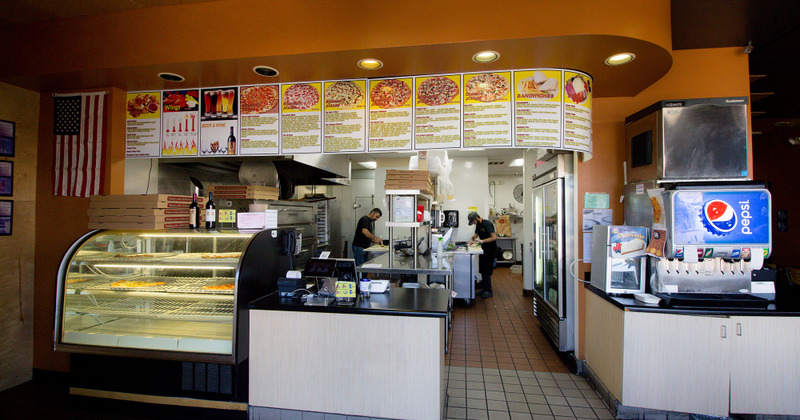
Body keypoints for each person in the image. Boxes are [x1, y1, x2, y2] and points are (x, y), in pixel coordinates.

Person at [468, 211, 497, 298]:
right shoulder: (478, 225)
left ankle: (488, 290)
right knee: (482, 269)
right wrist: (471, 239)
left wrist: (482, 241)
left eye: (474, 221)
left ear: (477, 217)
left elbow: (494, 237)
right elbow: (476, 234)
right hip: (483, 249)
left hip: (490, 249)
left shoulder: (487, 224)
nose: (474, 223)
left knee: (487, 270)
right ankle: (484, 288)